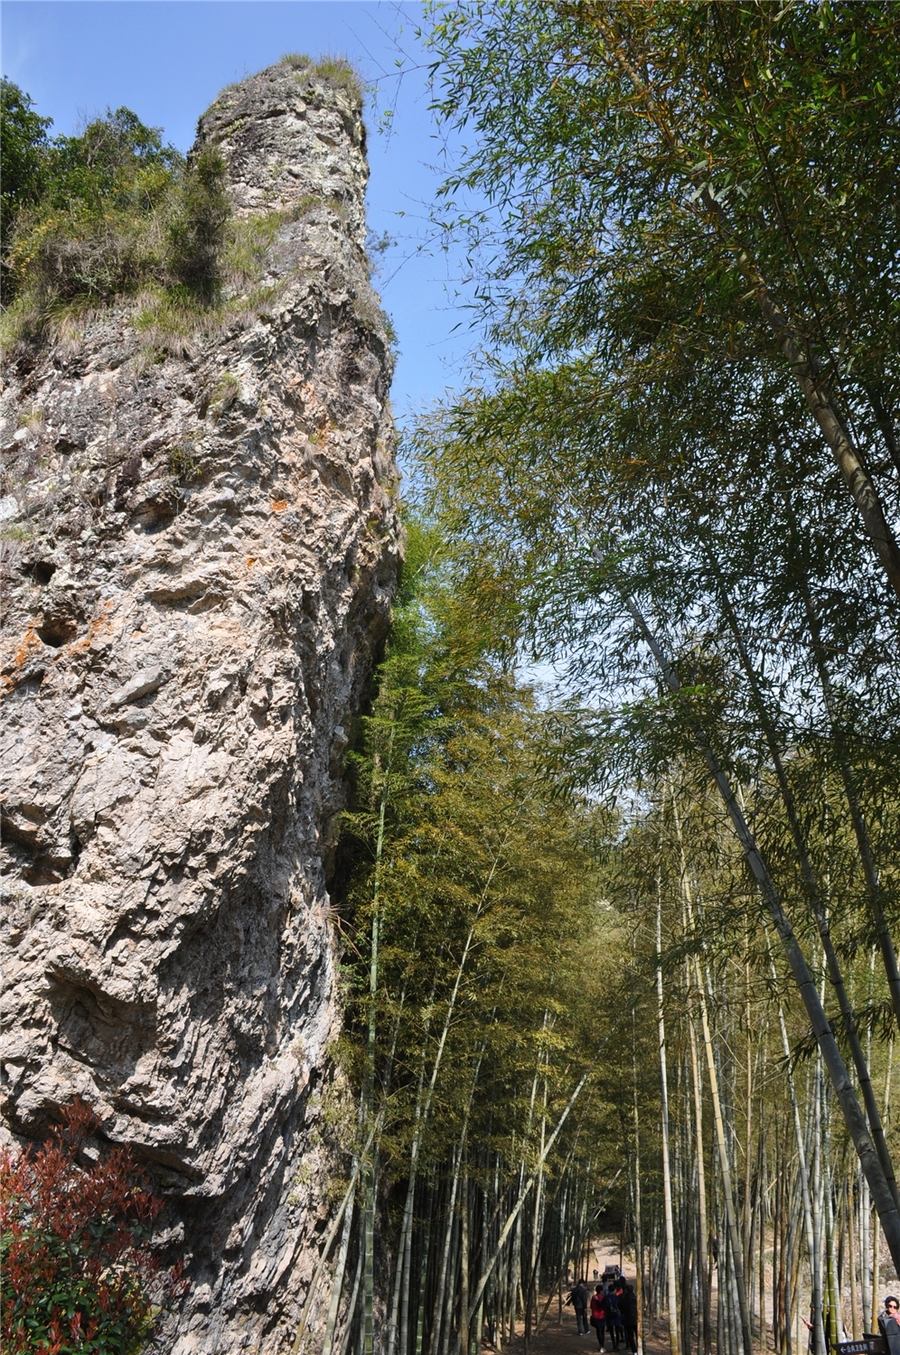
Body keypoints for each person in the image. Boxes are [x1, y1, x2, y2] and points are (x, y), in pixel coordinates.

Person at [619, 1283, 638, 1355]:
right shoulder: (635, 1297)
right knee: (637, 1335)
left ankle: (634, 1350)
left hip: (627, 1320)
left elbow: (621, 1308)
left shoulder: (623, 1298)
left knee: (630, 1336)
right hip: (636, 1319)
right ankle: (638, 1348)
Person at [590, 1284, 608, 1350]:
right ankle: (602, 1344)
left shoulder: (593, 1297)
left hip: (595, 1315)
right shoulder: (603, 1297)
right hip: (602, 1316)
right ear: (601, 1290)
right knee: (602, 1331)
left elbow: (591, 1306)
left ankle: (600, 1343)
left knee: (598, 1331)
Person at [605, 1284, 622, 1352]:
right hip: (616, 1315)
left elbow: (605, 1305)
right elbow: (619, 1305)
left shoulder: (606, 1297)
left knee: (611, 1331)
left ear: (608, 1289)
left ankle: (613, 1344)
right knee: (617, 1331)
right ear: (614, 1289)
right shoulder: (616, 1297)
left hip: (609, 1315)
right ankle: (617, 1344)